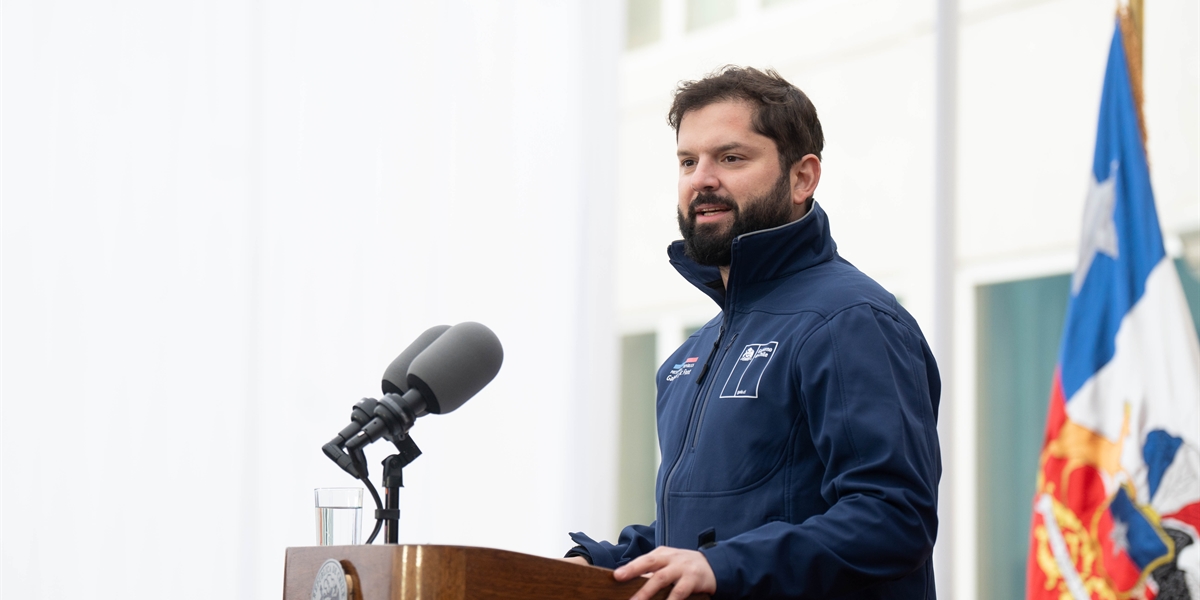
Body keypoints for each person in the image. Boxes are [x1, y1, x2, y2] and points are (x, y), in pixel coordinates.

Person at [562, 66, 942, 599]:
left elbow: (891, 518)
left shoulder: (850, 319)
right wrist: (603, 563)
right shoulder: (687, 359)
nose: (702, 178)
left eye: (731, 157)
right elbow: (702, 535)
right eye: (688, 161)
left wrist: (723, 568)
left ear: (802, 177)